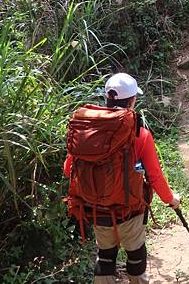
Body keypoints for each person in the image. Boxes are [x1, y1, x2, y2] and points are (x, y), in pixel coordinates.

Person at [63, 73, 181, 284]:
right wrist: (170, 199)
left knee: (105, 255)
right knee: (136, 255)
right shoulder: (139, 134)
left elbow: (68, 169)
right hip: (129, 211)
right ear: (132, 100)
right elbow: (154, 176)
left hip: (96, 210)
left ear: (106, 98)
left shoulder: (88, 130)